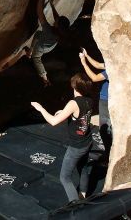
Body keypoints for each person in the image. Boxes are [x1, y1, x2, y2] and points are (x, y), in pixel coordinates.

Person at [30, 73, 95, 202]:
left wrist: (41, 109)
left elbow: (53, 121)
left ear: (75, 88)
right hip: (87, 141)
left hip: (76, 146)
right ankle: (83, 193)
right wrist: (64, 113)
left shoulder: (73, 103)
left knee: (64, 177)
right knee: (83, 168)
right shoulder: (90, 99)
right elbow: (80, 116)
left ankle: (76, 206)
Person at [26, 0, 71, 86]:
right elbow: (57, 18)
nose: (56, 20)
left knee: (36, 58)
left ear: (57, 25)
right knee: (37, 34)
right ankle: (30, 51)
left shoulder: (49, 30)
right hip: (49, 43)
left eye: (57, 22)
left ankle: (45, 78)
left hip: (43, 47)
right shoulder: (61, 29)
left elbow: (39, 11)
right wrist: (51, 4)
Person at [79, 48, 111, 153]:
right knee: (106, 126)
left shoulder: (112, 69)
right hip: (106, 99)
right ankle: (108, 151)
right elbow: (98, 65)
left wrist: (84, 63)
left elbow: (95, 78)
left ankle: (108, 153)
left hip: (106, 100)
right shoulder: (112, 64)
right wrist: (87, 56)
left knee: (104, 128)